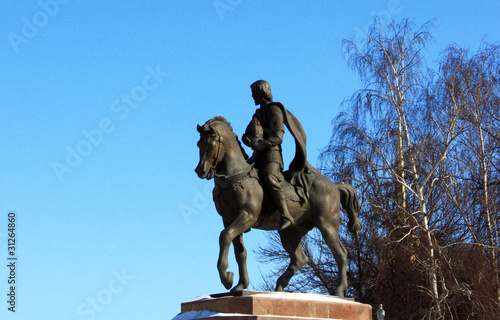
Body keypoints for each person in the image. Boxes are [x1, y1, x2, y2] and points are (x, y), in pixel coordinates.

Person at [242, 80, 295, 229]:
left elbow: (278, 137)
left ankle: (286, 214)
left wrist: (260, 144)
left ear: (263, 93)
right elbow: (251, 134)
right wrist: (248, 140)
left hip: (272, 156)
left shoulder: (274, 110)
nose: (253, 96)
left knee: (269, 177)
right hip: (258, 157)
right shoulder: (257, 113)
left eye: (255, 93)